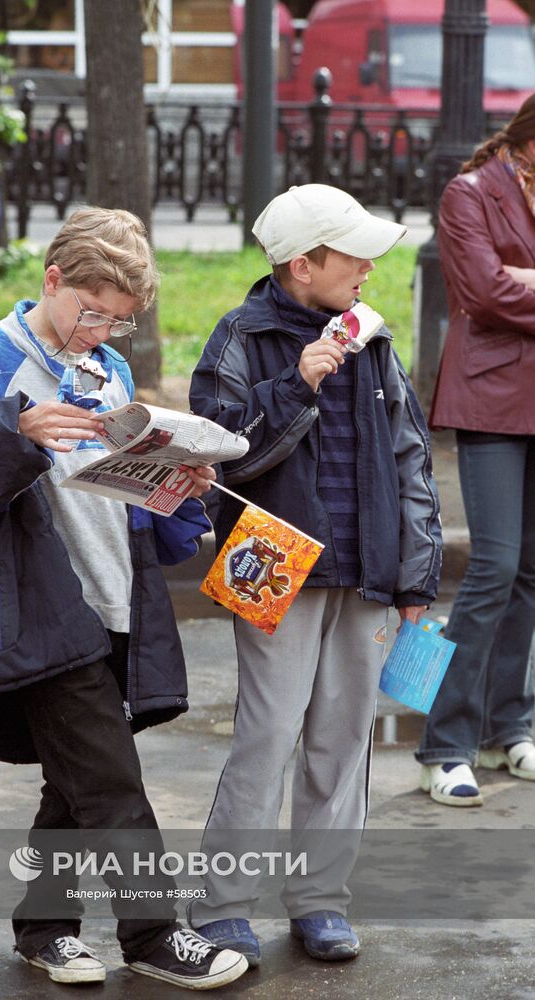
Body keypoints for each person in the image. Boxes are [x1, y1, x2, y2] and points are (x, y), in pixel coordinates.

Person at [0, 207, 248, 990]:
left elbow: (115, 493)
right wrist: (16, 431)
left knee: (74, 781)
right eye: (92, 312)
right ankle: (154, 936)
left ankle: (44, 929)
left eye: (117, 323)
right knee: (112, 783)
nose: (100, 331)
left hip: (111, 591)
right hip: (38, 605)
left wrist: (175, 484)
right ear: (52, 282)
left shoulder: (109, 372)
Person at [188, 184, 441, 967]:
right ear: (304, 264)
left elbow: (410, 458)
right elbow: (215, 452)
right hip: (271, 565)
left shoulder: (370, 339)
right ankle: (223, 904)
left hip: (363, 565)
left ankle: (321, 901)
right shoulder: (241, 336)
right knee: (265, 736)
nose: (369, 267)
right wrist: (296, 383)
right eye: (353, 253)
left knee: (342, 741)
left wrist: (415, 574)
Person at [416, 95, 535, 806]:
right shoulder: (468, 193)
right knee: (490, 567)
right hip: (490, 399)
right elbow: (485, 293)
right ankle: (444, 745)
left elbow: (505, 289)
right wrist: (513, 282)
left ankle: (504, 728)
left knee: (529, 571)